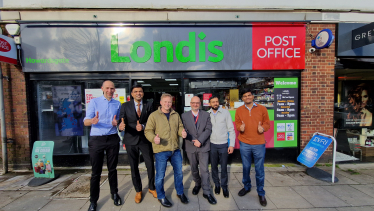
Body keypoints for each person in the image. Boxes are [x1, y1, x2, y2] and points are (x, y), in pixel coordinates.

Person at [144, 93, 188, 207]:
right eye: (165, 101)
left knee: (179, 173)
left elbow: (179, 127)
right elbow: (148, 131)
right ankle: (161, 196)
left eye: (169, 102)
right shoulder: (154, 115)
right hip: (161, 150)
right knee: (160, 176)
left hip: (175, 150)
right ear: (161, 102)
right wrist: (154, 138)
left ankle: (180, 192)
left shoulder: (175, 114)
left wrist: (182, 132)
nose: (168, 104)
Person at [83, 80, 122, 211]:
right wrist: (92, 120)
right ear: (102, 89)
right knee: (96, 172)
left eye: (112, 88)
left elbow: (120, 121)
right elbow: (85, 121)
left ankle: (114, 194)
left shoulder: (117, 104)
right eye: (107, 88)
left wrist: (117, 122)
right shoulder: (94, 102)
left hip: (112, 138)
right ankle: (93, 201)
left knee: (113, 169)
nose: (110, 90)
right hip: (97, 139)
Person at [118, 84, 157, 203]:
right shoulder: (125, 106)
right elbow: (121, 120)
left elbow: (153, 121)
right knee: (134, 166)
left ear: (143, 93)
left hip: (145, 140)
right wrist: (120, 127)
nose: (138, 93)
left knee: (150, 164)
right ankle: (138, 190)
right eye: (136, 91)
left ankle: (151, 187)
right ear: (132, 94)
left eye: (140, 91)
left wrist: (144, 126)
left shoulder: (149, 105)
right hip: (130, 139)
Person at [235, 88, 270, 207]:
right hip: (244, 143)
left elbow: (267, 123)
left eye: (249, 95)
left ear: (253, 96)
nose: (247, 97)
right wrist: (240, 128)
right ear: (242, 98)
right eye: (245, 96)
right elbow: (238, 124)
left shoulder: (262, 108)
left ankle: (261, 192)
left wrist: (263, 128)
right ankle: (247, 187)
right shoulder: (239, 110)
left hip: (259, 143)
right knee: (246, 167)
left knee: (259, 169)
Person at [181, 96, 216, 204]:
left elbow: (208, 129)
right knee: (194, 168)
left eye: (197, 103)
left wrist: (200, 141)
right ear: (190, 103)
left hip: (203, 146)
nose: (195, 104)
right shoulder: (184, 116)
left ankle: (207, 191)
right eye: (193, 103)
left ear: (200, 103)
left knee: (204, 170)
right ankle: (197, 184)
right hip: (190, 146)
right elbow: (184, 130)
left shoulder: (206, 115)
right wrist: (193, 140)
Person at [207, 96, 236, 198]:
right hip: (212, 145)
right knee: (214, 167)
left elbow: (231, 129)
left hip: (224, 144)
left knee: (224, 167)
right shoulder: (207, 114)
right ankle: (217, 185)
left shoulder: (225, 113)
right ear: (210, 104)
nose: (215, 103)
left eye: (217, 101)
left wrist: (231, 144)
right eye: (213, 102)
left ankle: (224, 186)